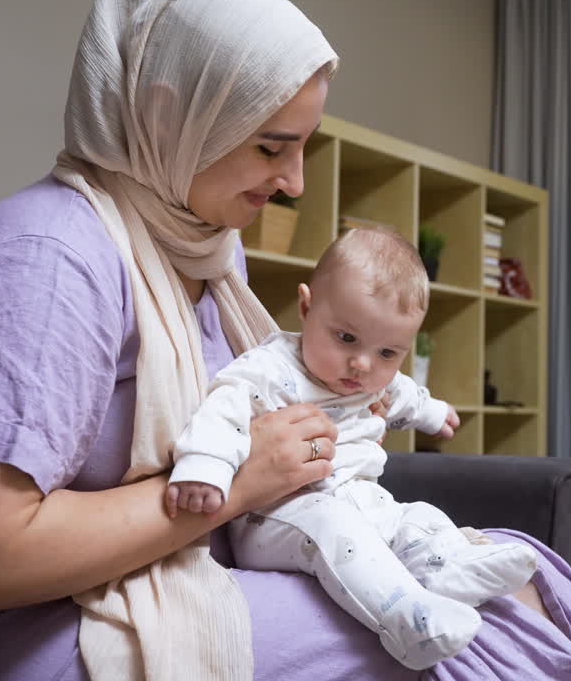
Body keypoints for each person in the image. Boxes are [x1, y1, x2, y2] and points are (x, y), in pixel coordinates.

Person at [0, 0, 571, 680]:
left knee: (507, 569)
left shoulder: (207, 251)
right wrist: (238, 483)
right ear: (170, 113)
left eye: (303, 147)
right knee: (461, 627)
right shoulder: (50, 259)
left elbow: (263, 395)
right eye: (273, 147)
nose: (295, 182)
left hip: (167, 568)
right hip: (10, 629)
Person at [165, 227, 538, 669]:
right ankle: (406, 620)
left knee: (417, 515)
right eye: (346, 339)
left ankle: (447, 568)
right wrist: (205, 467)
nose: (362, 365)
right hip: (281, 516)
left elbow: (404, 393)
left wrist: (435, 414)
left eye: (387, 352)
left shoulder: (372, 378)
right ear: (306, 307)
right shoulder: (272, 368)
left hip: (362, 500)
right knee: (336, 525)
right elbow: (221, 408)